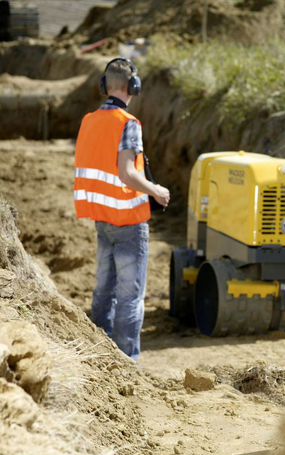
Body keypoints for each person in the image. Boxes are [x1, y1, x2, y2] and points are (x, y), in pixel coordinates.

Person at [74, 57, 170, 361]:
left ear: (105, 86)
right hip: (128, 221)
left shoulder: (89, 120)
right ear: (133, 87)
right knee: (130, 297)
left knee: (104, 290)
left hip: (102, 218)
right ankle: (127, 363)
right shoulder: (128, 124)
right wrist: (156, 190)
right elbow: (127, 173)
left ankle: (98, 356)